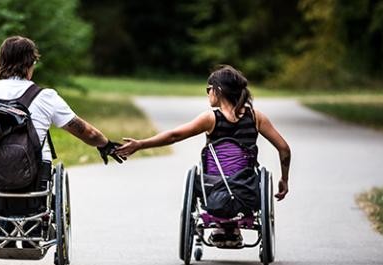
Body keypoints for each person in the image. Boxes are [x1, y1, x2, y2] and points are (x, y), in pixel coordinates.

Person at [0, 35, 124, 229]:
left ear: (0, 62)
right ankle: (34, 227)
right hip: (36, 179)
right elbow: (86, 132)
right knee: (41, 178)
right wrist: (105, 144)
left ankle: (4, 228)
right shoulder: (45, 97)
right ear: (30, 64)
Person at [116, 65, 291, 247]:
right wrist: (284, 179)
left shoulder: (210, 119)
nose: (207, 93)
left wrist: (141, 144)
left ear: (218, 90)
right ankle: (231, 228)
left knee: (200, 178)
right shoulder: (256, 118)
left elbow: (174, 136)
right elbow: (284, 148)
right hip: (247, 187)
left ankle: (223, 226)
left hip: (212, 187)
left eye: (208, 89)